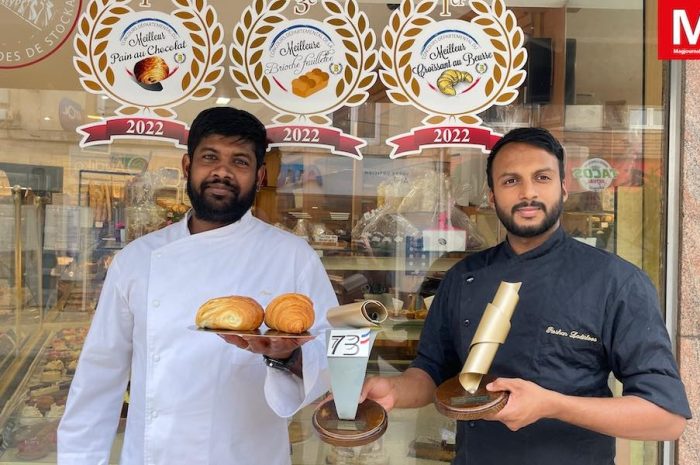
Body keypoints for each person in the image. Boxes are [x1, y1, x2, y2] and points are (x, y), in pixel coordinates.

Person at [360, 127, 691, 465]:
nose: (528, 192)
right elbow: (431, 374)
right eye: (510, 181)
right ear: (492, 196)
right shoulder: (463, 277)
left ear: (563, 188)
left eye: (542, 177)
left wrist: (553, 404)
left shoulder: (615, 282)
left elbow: (665, 417)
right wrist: (395, 391)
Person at [58, 107, 338, 465]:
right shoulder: (137, 260)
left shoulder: (293, 256)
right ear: (188, 167)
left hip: (250, 455)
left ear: (260, 175)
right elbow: (99, 377)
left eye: (240, 161)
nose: (222, 171)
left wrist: (287, 356)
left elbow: (333, 353)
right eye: (210, 157)